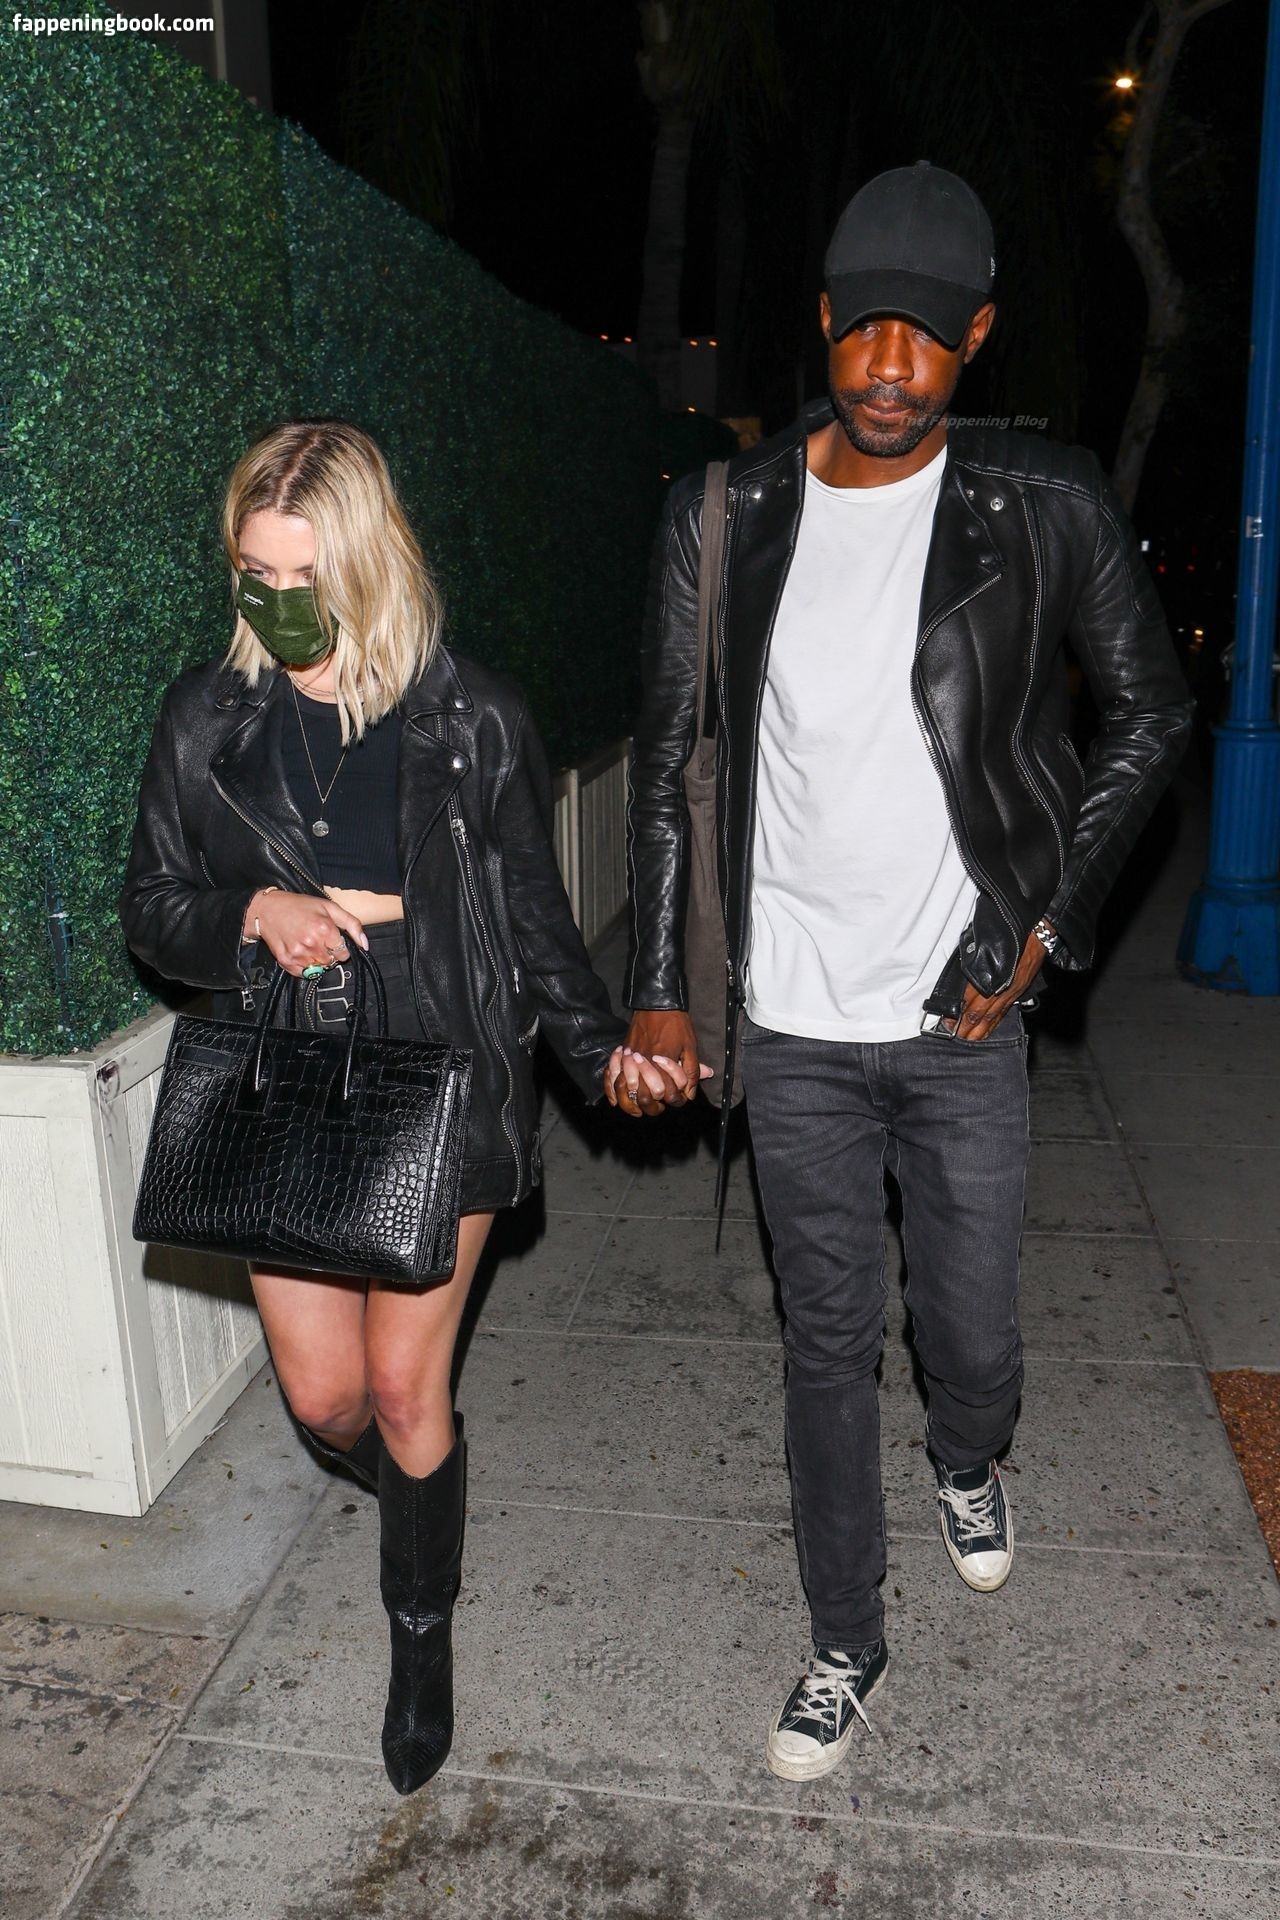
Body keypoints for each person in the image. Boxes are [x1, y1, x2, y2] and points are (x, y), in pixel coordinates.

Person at [613, 163, 1193, 1780]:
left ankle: (970, 1456)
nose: (888, 365)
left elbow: (1152, 713)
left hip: (961, 1012)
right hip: (792, 1020)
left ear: (976, 339)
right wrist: (661, 982)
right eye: (863, 327)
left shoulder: (1043, 503)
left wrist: (1044, 925)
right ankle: (844, 1639)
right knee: (824, 1341)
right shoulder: (726, 516)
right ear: (821, 319)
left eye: (925, 337)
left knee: (975, 1337)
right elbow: (668, 760)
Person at [118, 419, 669, 1795]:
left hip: (440, 1068)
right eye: (252, 572)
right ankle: (423, 1504)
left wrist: (604, 1052)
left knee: (409, 1390)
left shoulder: (472, 718)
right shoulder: (207, 717)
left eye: (300, 575)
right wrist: (256, 910)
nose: (272, 601)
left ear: (368, 563)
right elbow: (153, 909)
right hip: (287, 1070)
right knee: (325, 1397)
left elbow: (534, 917)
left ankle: (419, 1635)